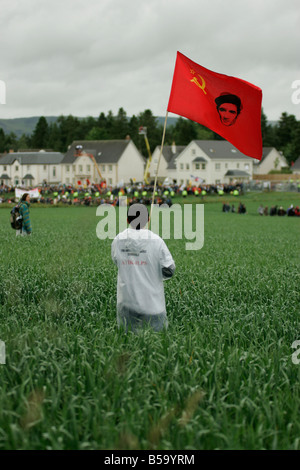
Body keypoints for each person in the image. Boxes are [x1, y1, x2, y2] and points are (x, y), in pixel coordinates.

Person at [111, 204, 175, 333]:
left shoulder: (118, 240)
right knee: (154, 347)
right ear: (148, 219)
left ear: (128, 220)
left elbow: (117, 262)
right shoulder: (156, 241)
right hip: (152, 304)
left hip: (126, 304)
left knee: (126, 343)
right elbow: (169, 270)